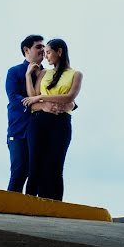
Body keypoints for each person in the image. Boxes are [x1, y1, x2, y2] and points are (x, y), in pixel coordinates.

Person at [22, 38, 83, 201]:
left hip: (61, 123)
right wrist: (29, 76)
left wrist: (43, 98)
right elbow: (32, 98)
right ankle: (28, 204)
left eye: (48, 52)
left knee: (55, 166)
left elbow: (70, 97)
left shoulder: (76, 74)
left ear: (60, 52)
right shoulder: (43, 73)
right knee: (35, 165)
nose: (45, 56)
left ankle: (54, 207)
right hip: (38, 122)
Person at [4, 35, 45, 192]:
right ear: (26, 50)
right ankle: (8, 212)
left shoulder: (48, 75)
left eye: (43, 47)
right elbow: (14, 97)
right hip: (19, 130)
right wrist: (39, 103)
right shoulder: (14, 72)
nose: (42, 50)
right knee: (19, 172)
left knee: (38, 175)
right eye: (38, 47)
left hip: (42, 131)